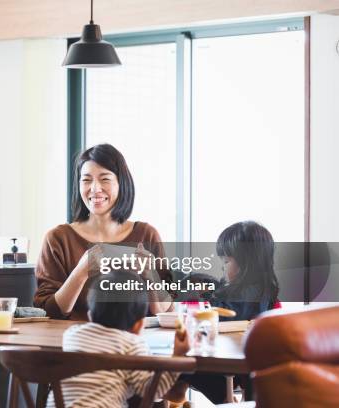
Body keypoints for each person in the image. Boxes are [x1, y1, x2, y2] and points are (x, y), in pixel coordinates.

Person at [34, 143, 172, 320]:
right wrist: (80, 272)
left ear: (121, 183)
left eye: (104, 179)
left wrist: (151, 276)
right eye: (86, 180)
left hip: (135, 342)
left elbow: (165, 311)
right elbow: (48, 311)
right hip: (77, 343)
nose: (95, 188)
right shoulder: (58, 239)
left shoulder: (147, 235)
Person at [46, 271, 190, 408]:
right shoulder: (132, 345)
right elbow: (153, 392)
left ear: (90, 316)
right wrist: (177, 356)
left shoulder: (72, 335)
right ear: (139, 325)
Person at [173, 221, 280, 405]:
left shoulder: (251, 294)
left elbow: (222, 315)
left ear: (248, 264)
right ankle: (179, 394)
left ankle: (224, 400)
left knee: (185, 364)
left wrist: (199, 301)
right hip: (237, 358)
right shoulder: (257, 289)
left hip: (237, 361)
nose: (223, 267)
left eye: (226, 261)